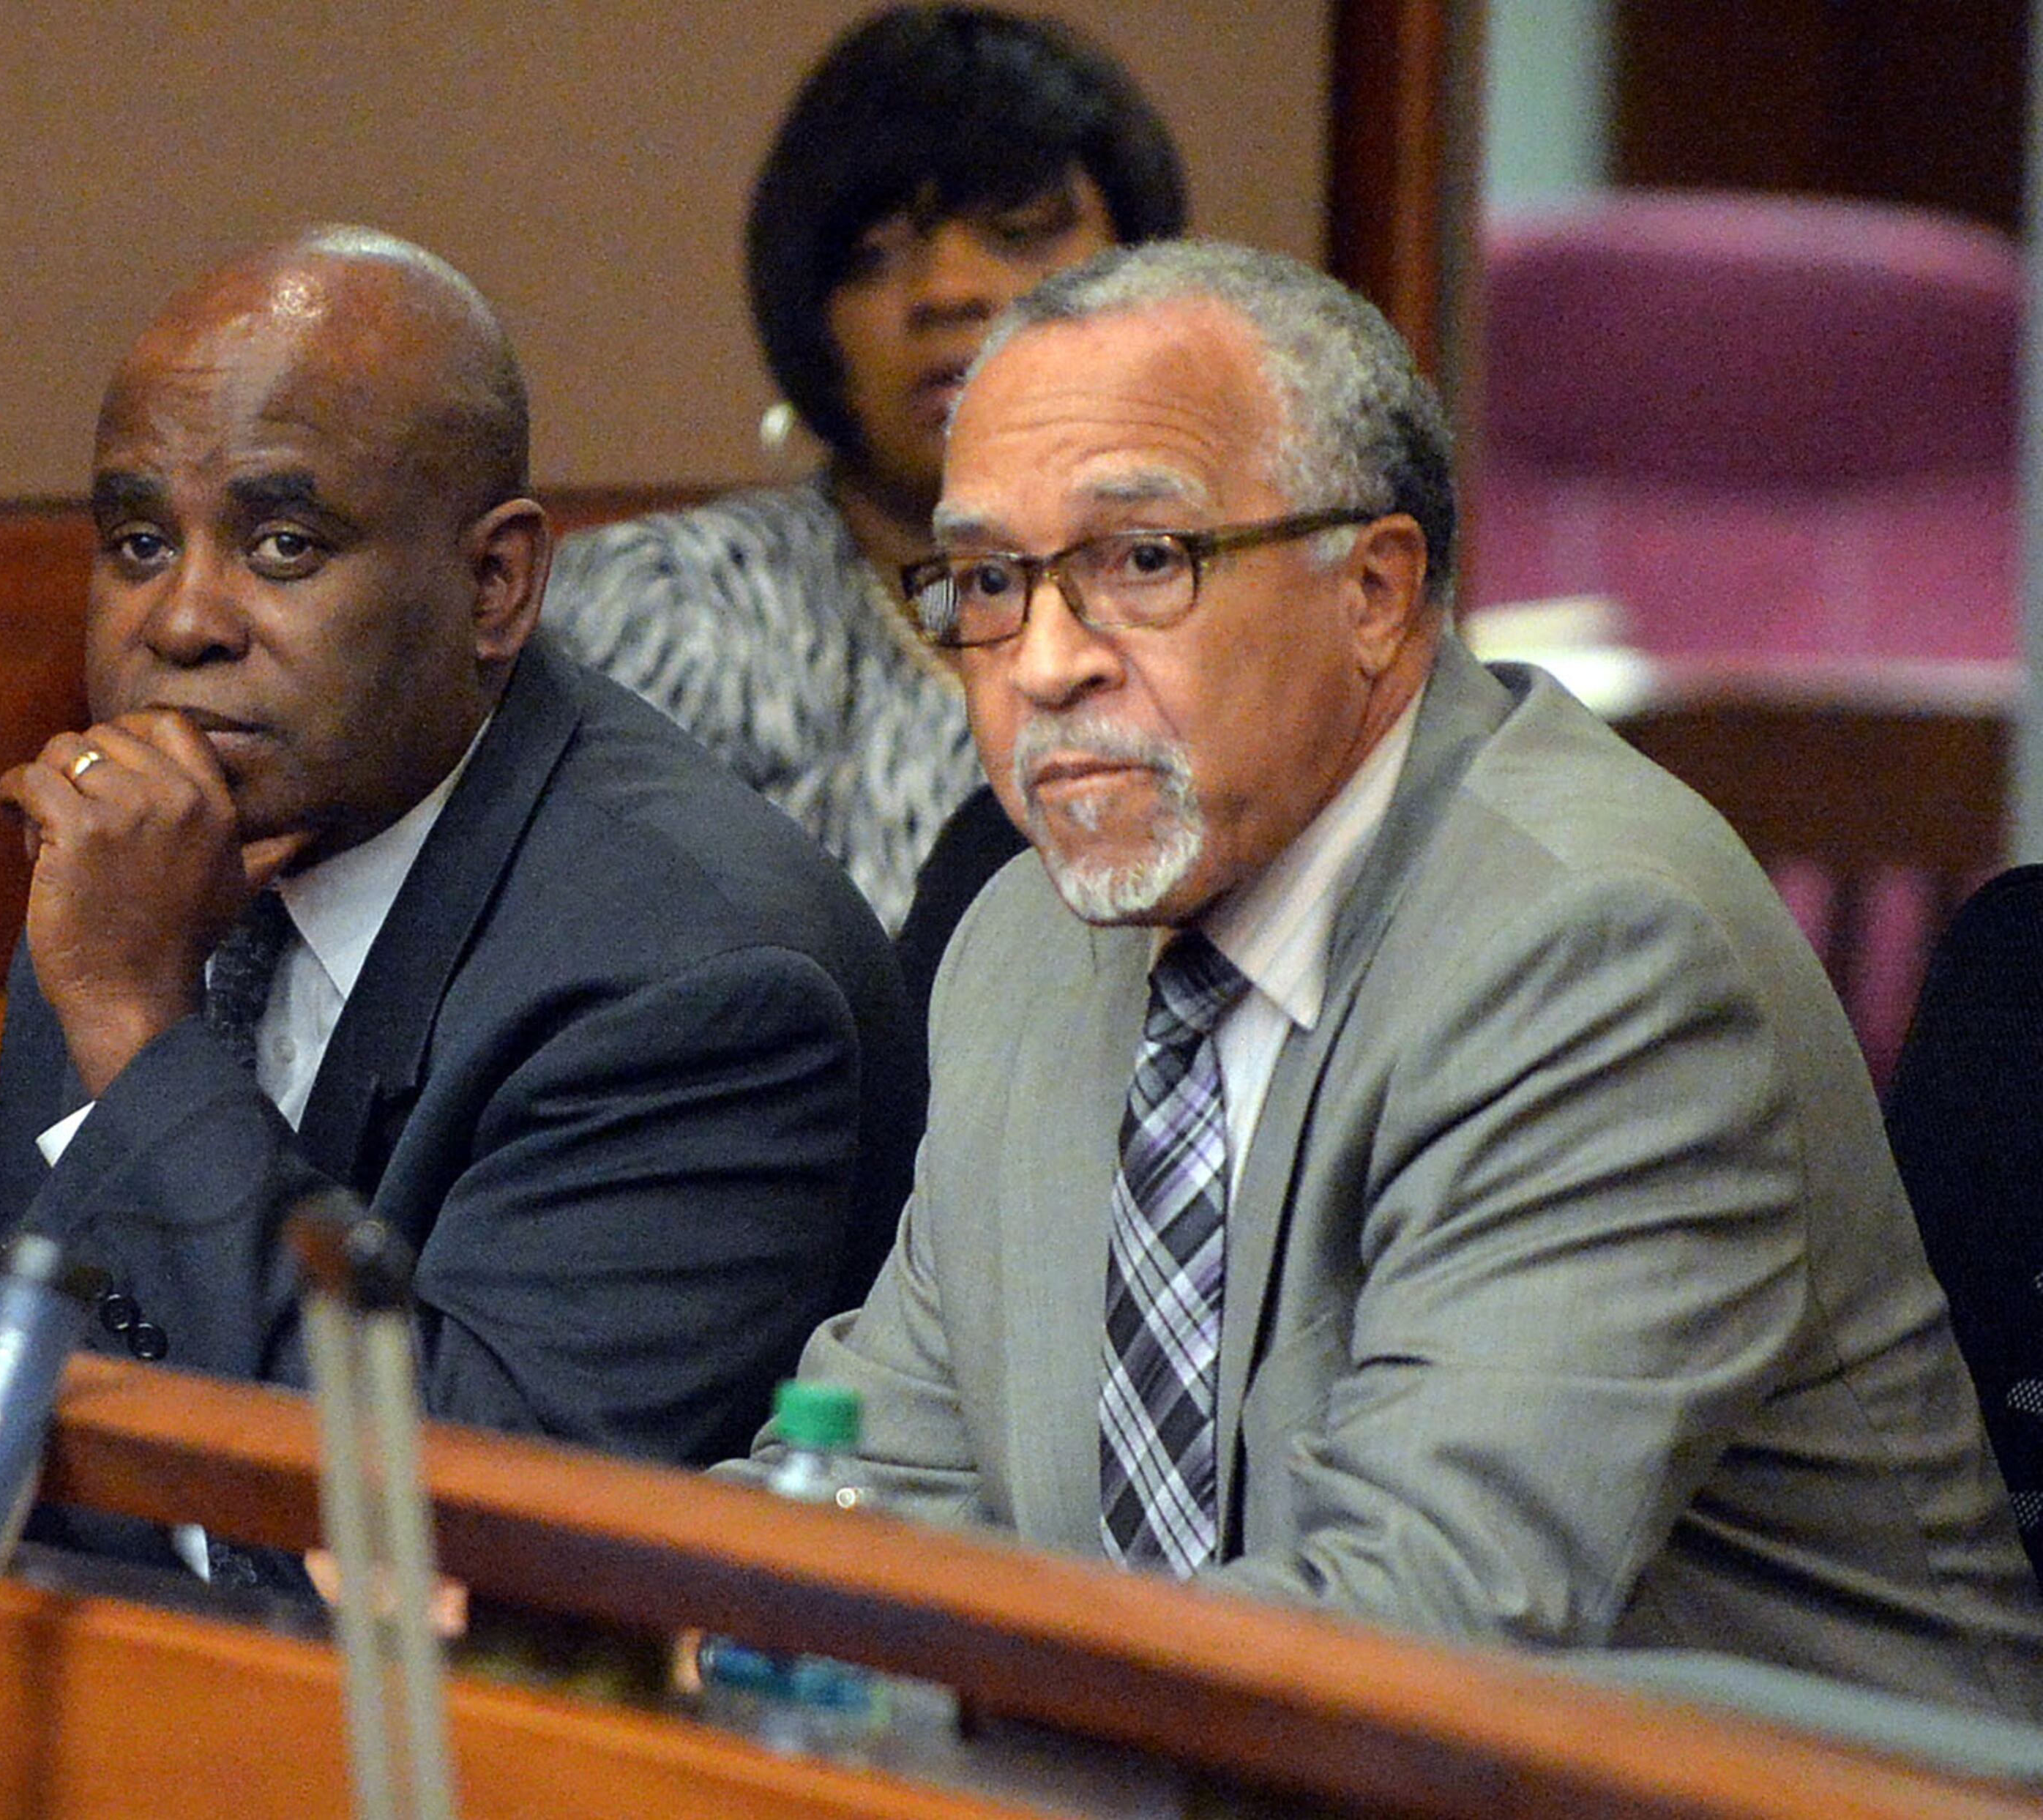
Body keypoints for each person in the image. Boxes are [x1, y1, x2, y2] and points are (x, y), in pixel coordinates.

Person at [738, 239, 2043, 1712]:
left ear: (1373, 589)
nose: (1042, 662)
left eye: (1139, 562)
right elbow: (872, 1488)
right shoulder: (1023, 944)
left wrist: (869, 1670)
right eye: (987, 579)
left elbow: (1414, 1634)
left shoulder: (1596, 957)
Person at [0, 226, 921, 1474]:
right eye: (141, 544)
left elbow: (442, 1514)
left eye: (284, 547)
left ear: (493, 586)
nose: (184, 621)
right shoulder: (150, 864)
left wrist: (138, 1028)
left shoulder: (702, 978)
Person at [542, 4, 1184, 933]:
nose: (947, 292)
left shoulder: (1234, 594)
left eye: (1014, 232)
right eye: (876, 255)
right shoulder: (670, 612)